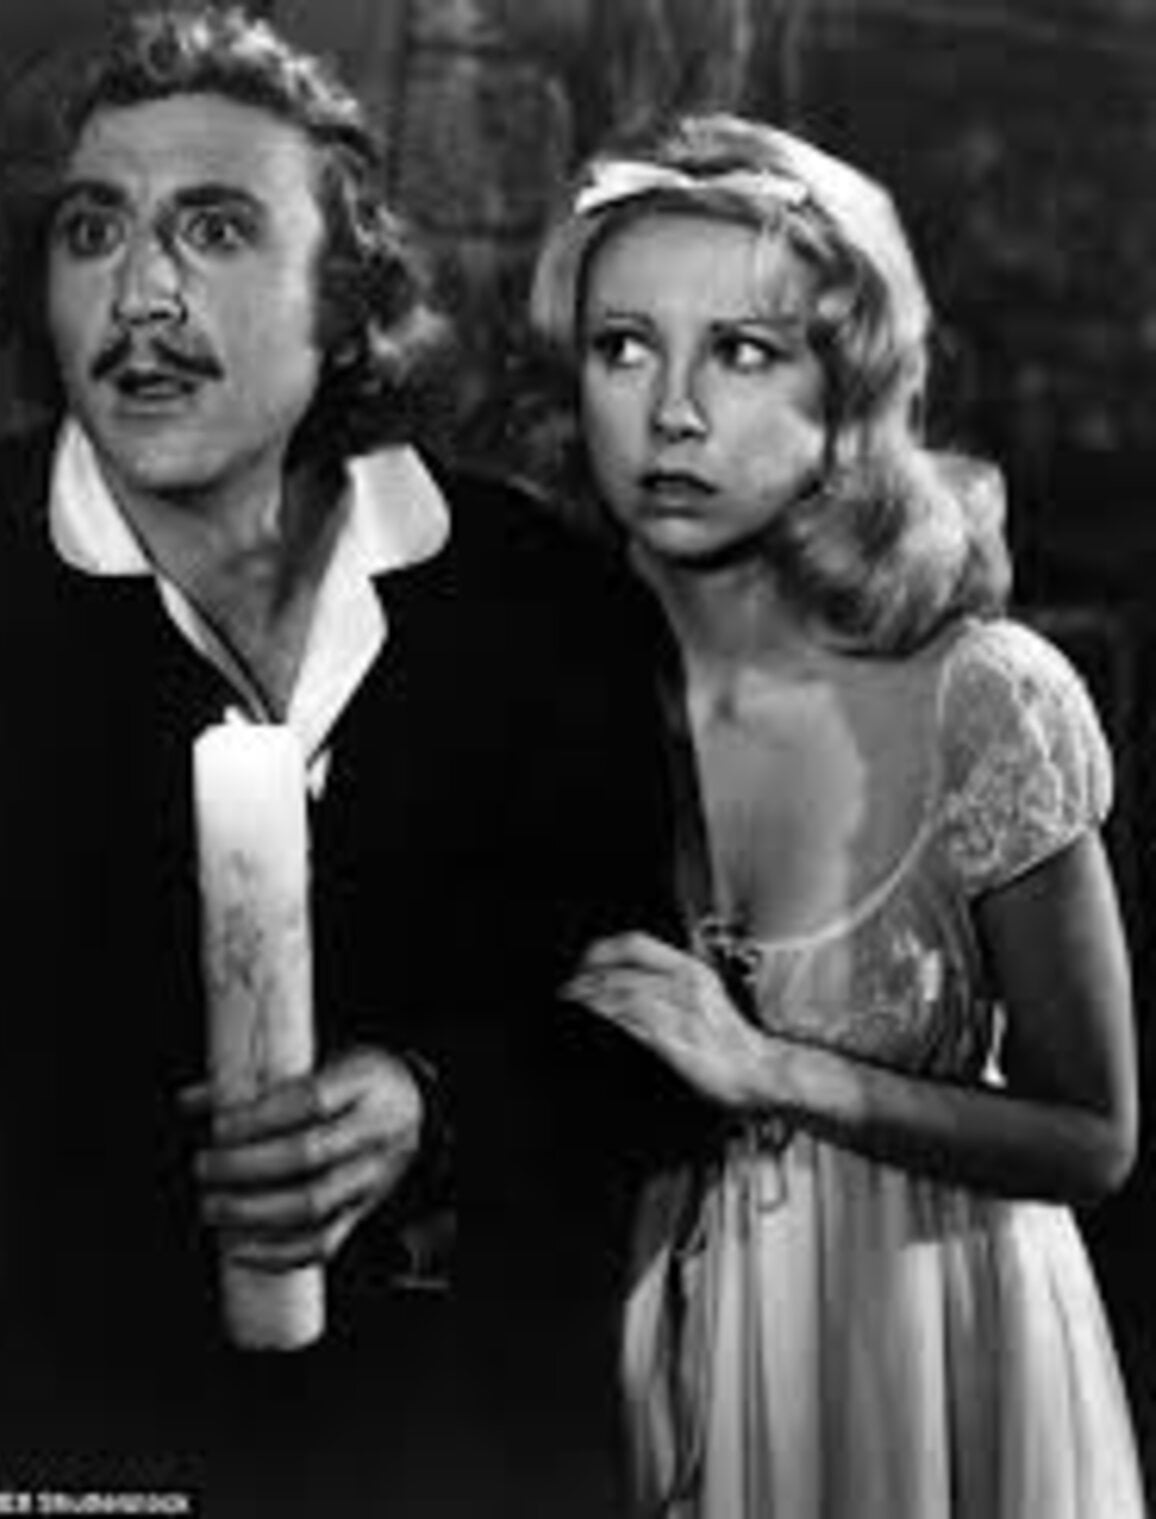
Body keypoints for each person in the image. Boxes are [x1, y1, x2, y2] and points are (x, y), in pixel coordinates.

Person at [0, 8, 689, 1515]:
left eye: (216, 229)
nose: (141, 295)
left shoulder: (540, 602)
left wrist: (435, 1104)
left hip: (461, 1454)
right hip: (59, 1454)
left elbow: (661, 1045)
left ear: (346, 296)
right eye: (92, 232)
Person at [530, 111, 1148, 1516]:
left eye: (743, 353)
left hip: (917, 1354)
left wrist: (775, 1072)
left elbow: (1094, 1137)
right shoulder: (545, 688)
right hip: (615, 1360)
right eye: (623, 348)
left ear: (850, 392)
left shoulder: (979, 696)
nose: (672, 412)